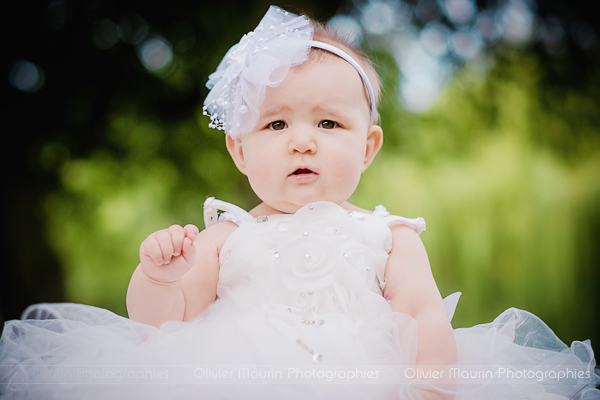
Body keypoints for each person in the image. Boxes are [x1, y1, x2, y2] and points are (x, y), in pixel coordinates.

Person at [1, 6, 598, 400]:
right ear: (239, 151)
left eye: (329, 123)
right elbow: (161, 324)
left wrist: (431, 388)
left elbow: (422, 315)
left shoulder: (391, 235)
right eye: (277, 124)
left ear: (368, 147)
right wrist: (158, 277)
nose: (302, 139)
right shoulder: (226, 234)